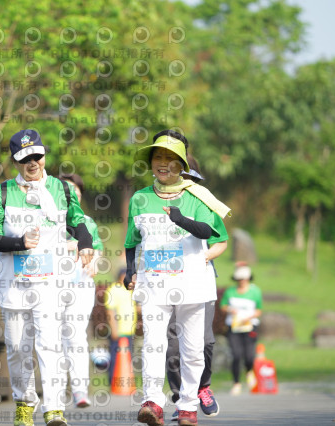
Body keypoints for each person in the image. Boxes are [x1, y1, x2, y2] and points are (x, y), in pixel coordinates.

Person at [0, 129, 94, 426]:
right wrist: (20, 243)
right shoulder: (2, 193)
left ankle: (54, 408)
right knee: (18, 347)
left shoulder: (62, 189)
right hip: (14, 283)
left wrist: (85, 244)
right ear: (15, 161)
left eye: (37, 156)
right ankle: (24, 402)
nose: (33, 163)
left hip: (50, 282)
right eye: (25, 158)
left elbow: (78, 223)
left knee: (50, 343)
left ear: (44, 155)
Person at [124, 130, 226, 426]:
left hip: (192, 285)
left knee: (193, 349)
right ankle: (152, 402)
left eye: (171, 158)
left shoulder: (198, 196)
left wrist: (181, 219)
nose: (163, 163)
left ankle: (188, 406)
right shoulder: (141, 198)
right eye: (158, 157)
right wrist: (130, 271)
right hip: (154, 285)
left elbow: (211, 232)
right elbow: (132, 240)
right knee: (154, 345)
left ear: (182, 164)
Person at [166, 154, 229, 420]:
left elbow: (221, 242)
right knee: (171, 346)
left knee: (204, 341)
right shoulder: (160, 202)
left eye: (189, 178)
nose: (184, 183)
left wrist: (199, 258)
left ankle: (203, 387)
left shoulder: (204, 202)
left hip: (200, 279)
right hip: (167, 282)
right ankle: (182, 399)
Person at [58, 173, 103, 408]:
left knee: (76, 336)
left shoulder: (87, 221)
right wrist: (69, 245)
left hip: (80, 285)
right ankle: (55, 390)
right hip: (51, 287)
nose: (71, 193)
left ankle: (79, 391)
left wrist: (95, 261)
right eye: (66, 189)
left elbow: (97, 248)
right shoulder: (48, 219)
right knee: (52, 338)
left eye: (75, 190)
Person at [220, 263, 263, 396]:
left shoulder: (255, 291)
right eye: (239, 279)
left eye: (244, 278)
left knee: (249, 356)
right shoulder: (230, 291)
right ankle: (236, 383)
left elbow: (259, 310)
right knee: (236, 355)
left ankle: (249, 370)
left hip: (250, 326)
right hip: (234, 327)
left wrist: (250, 316)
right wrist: (229, 309)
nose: (242, 281)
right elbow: (223, 306)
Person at [104, 268, 138, 387]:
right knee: (115, 358)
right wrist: (114, 329)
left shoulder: (129, 290)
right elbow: (110, 311)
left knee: (127, 358)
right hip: (118, 331)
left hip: (129, 330)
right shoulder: (113, 289)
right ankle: (112, 382)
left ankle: (125, 383)